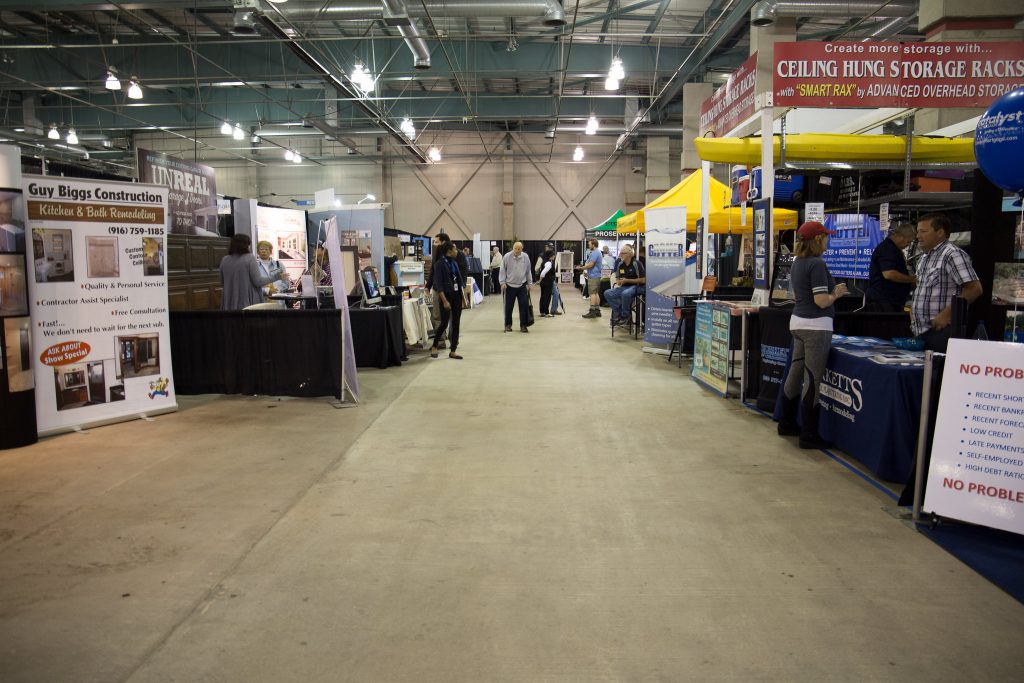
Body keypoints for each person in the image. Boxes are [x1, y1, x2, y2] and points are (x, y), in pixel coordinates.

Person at [777, 221, 848, 449]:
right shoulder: (817, 264)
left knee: (796, 372)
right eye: (826, 237)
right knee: (812, 378)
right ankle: (808, 435)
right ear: (818, 239)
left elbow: (798, 297)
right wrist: (835, 294)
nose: (828, 240)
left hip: (797, 323)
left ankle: (786, 422)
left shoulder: (798, 263)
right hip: (816, 327)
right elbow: (820, 301)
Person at [911, 213, 983, 352]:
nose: (918, 236)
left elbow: (974, 289)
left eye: (924, 231)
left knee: (939, 372)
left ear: (940, 232)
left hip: (943, 330)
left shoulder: (952, 255)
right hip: (921, 331)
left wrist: (947, 314)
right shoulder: (924, 258)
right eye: (918, 231)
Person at [219, 233, 288, 310]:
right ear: (245, 245)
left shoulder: (224, 260)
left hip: (229, 301)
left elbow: (222, 282)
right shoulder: (249, 258)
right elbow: (258, 281)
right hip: (246, 302)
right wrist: (277, 276)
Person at [865, 223, 917, 312]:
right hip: (884, 300)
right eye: (908, 241)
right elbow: (889, 274)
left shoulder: (892, 248)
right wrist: (913, 279)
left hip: (891, 299)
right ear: (900, 236)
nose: (908, 245)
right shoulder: (888, 249)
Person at [430, 242, 464, 360]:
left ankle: (453, 350)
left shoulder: (454, 263)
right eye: (455, 249)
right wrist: (444, 301)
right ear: (449, 250)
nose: (457, 251)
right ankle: (434, 345)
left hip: (456, 297)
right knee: (444, 323)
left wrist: (464, 299)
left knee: (456, 323)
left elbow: (459, 283)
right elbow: (439, 285)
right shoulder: (439, 264)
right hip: (446, 297)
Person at [604, 244, 645, 327]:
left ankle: (625, 316)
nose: (620, 255)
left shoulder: (636, 263)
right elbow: (617, 278)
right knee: (607, 293)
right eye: (620, 253)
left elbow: (643, 280)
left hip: (637, 287)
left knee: (625, 293)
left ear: (629, 254)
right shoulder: (620, 264)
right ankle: (620, 312)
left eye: (623, 253)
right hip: (624, 287)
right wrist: (619, 281)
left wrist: (627, 280)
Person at [499, 241, 534, 332]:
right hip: (509, 286)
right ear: (513, 248)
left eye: (519, 249)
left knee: (524, 306)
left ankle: (523, 325)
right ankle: (508, 325)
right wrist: (502, 282)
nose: (517, 250)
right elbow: (502, 270)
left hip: (522, 285)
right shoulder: (507, 256)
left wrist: (530, 283)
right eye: (516, 248)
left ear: (522, 249)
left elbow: (528, 271)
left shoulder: (525, 257)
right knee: (508, 307)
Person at [579, 238, 604, 318]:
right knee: (596, 293)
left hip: (594, 276)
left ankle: (592, 311)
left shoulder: (594, 253)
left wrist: (581, 268)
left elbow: (590, 265)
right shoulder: (598, 252)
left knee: (592, 293)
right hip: (596, 275)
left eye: (589, 244)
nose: (588, 246)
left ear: (593, 244)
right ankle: (597, 311)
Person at [537, 248, 558, 317]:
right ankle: (546, 312)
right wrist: (540, 280)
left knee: (543, 296)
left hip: (544, 282)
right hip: (547, 282)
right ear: (550, 256)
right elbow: (543, 272)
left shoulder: (544, 261)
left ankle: (542, 311)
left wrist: (540, 281)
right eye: (553, 255)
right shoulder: (549, 263)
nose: (554, 256)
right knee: (547, 297)